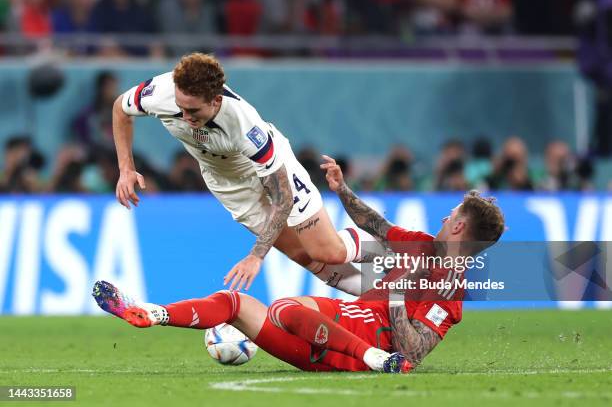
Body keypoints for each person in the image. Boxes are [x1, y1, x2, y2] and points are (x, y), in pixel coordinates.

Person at [93, 155, 505, 373]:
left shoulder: (450, 292)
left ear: (460, 228)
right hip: (343, 322)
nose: (443, 218)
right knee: (234, 303)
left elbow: (413, 350)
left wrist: (395, 296)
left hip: (363, 343)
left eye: (451, 216)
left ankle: (372, 362)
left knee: (287, 307)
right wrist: (342, 190)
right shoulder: (419, 244)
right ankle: (151, 312)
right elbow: (374, 224)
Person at [112, 52, 377, 294]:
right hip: (230, 185)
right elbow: (120, 109)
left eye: (193, 111)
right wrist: (126, 169)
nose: (184, 116)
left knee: (327, 251)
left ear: (216, 100)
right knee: (303, 256)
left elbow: (282, 201)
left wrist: (256, 256)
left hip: (273, 170)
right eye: (180, 107)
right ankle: (389, 296)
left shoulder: (244, 125)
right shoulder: (158, 93)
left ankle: (401, 254)